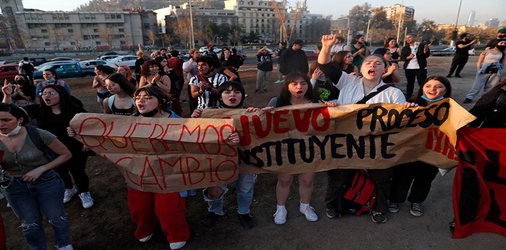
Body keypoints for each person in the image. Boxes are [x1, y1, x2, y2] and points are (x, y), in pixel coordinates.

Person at [318, 34, 406, 224]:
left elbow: (402, 122)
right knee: (338, 175)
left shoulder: (394, 93)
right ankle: (332, 204)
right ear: (361, 67)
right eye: (368, 63)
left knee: (381, 178)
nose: (372, 66)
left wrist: (410, 111)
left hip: (377, 144)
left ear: (385, 69)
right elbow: (325, 65)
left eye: (377, 63)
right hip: (345, 141)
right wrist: (326, 48)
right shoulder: (347, 81)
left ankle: (380, 208)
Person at [0, 103, 73, 249]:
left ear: (20, 119)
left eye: (6, 120)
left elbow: (66, 154)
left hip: (46, 182)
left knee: (56, 218)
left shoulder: (38, 134)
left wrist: (41, 169)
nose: (1, 124)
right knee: (30, 225)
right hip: (14, 187)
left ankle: (64, 244)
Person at [191, 81, 256, 229]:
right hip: (219, 161)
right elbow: (195, 136)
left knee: (245, 188)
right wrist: (193, 120)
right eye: (227, 92)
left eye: (236, 92)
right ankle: (214, 211)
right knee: (214, 189)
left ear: (242, 96)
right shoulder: (209, 114)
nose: (232, 94)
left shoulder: (251, 113)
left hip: (246, 160)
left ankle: (244, 213)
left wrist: (263, 114)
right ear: (220, 97)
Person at [389, 76, 452, 217]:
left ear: (446, 90)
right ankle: (395, 199)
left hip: (433, 152)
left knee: (425, 178)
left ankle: (417, 201)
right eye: (428, 85)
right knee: (402, 176)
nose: (432, 89)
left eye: (438, 86)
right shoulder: (411, 103)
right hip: (409, 151)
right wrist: (405, 110)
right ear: (422, 87)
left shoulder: (452, 108)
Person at [266, 72, 319, 225]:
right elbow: (263, 122)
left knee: (307, 180)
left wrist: (331, 107)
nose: (299, 87)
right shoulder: (277, 102)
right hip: (285, 149)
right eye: (294, 84)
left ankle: (305, 206)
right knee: (284, 179)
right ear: (287, 86)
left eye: (303, 83)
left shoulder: (316, 102)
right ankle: (280, 208)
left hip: (310, 147)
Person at [463, 39, 505, 104]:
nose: (503, 44)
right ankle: (469, 97)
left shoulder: (502, 52)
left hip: (496, 71)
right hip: (484, 69)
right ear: (496, 43)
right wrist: (479, 70)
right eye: (501, 43)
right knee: (477, 85)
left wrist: (500, 72)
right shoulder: (487, 51)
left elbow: (502, 63)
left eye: (505, 43)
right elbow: (479, 61)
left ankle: (484, 98)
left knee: (490, 86)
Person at [400, 34, 431, 100]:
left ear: (414, 38)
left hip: (420, 68)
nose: (408, 39)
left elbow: (426, 55)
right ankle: (408, 96)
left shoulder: (421, 45)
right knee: (410, 83)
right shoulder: (405, 48)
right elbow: (402, 58)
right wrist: (408, 57)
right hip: (409, 68)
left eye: (409, 37)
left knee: (422, 83)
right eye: (406, 38)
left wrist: (426, 49)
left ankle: (425, 96)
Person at [182, 49, 200, 113]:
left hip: (201, 82)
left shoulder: (201, 62)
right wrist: (191, 63)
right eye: (197, 53)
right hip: (192, 83)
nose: (199, 54)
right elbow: (186, 70)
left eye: (199, 53)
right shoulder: (187, 63)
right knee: (193, 99)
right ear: (192, 54)